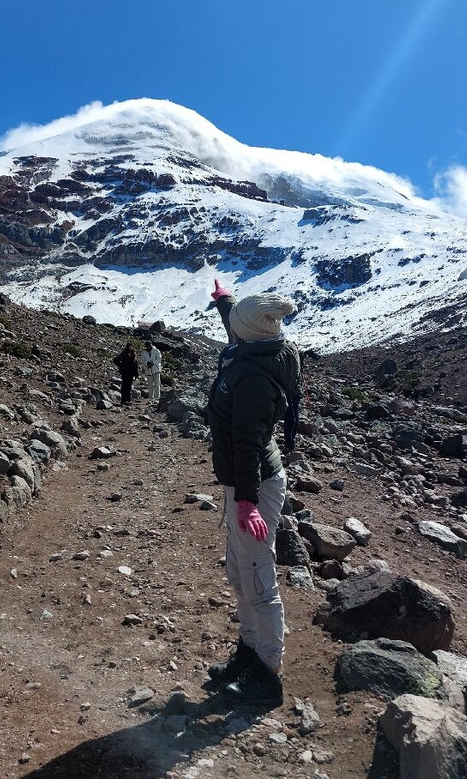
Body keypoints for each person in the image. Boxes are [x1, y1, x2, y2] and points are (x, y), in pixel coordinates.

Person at [205, 279, 301, 707]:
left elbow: (246, 440)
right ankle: (249, 650)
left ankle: (268, 671)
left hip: (255, 485)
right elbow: (237, 325)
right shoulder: (259, 344)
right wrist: (225, 301)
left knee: (259, 574)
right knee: (239, 570)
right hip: (243, 482)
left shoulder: (255, 380)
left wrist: (245, 500)